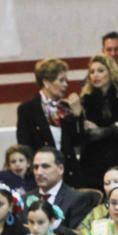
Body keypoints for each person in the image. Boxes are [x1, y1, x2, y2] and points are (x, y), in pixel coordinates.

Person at [16, 58, 84, 186]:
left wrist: (77, 116)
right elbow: (24, 145)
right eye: (61, 80)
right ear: (46, 82)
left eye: (66, 81)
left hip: (69, 174)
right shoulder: (28, 109)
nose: (66, 85)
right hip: (42, 175)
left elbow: (77, 141)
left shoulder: (65, 107)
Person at [79, 55, 118, 189]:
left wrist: (101, 129)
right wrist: (115, 127)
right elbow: (90, 134)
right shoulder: (85, 100)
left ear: (111, 72)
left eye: (100, 71)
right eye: (92, 72)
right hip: (93, 159)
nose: (95, 75)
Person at [26, 147, 88, 235]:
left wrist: (50, 225)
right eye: (35, 167)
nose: (39, 172)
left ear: (60, 169)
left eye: (45, 166)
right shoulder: (25, 198)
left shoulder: (77, 199)